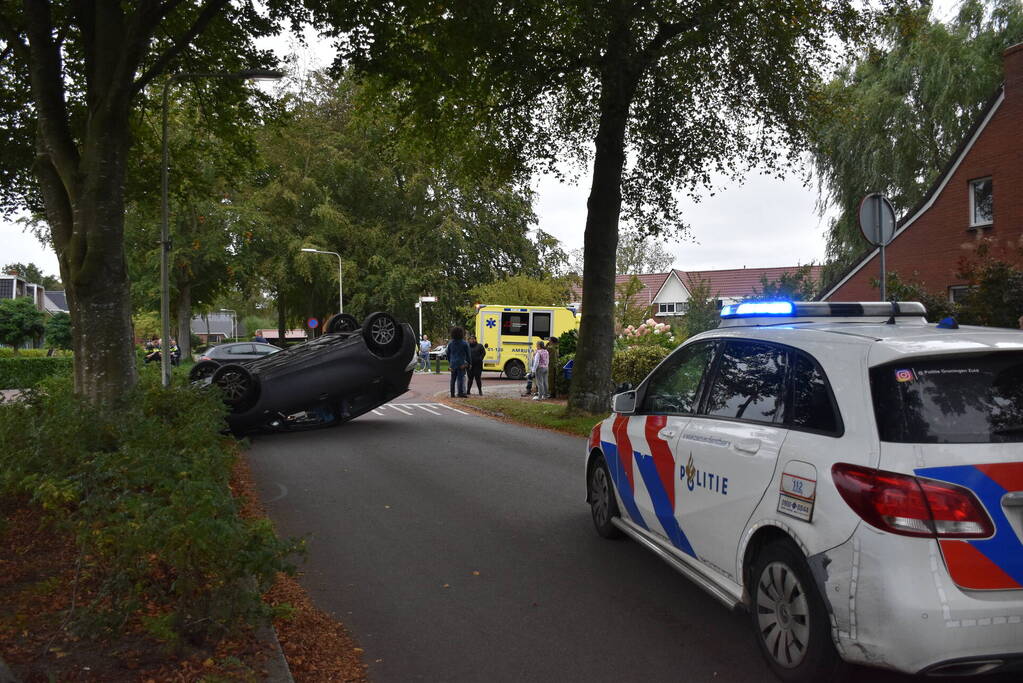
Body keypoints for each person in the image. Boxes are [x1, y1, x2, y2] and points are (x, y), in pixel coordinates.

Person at [446, 327, 471, 398]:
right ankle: (460, 393)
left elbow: (448, 354)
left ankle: (452, 393)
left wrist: (450, 362)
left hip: (453, 363)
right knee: (460, 379)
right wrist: (469, 363)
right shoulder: (464, 343)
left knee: (452, 379)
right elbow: (468, 355)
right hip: (461, 363)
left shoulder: (450, 343)